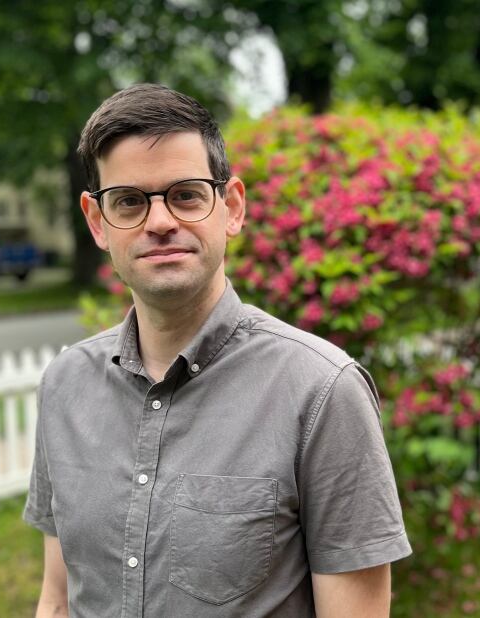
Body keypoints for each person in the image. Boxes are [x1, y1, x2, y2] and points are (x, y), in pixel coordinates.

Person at [23, 83, 412, 618]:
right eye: (129, 201)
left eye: (185, 194)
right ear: (98, 222)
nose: (160, 222)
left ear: (230, 208)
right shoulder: (65, 385)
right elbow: (58, 599)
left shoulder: (322, 393)